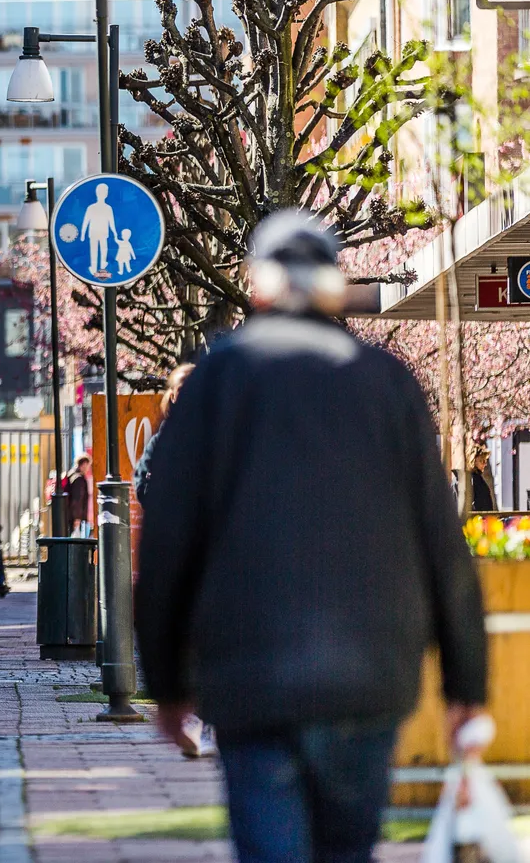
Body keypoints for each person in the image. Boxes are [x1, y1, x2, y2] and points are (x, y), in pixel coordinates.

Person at [137, 210, 487, 863]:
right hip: (369, 674)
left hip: (249, 677)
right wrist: (467, 686)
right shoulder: (387, 384)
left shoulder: (215, 381)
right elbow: (441, 543)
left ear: (257, 286)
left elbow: (168, 544)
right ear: (333, 284)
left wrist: (167, 682)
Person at [133, 363, 194, 506]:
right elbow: (142, 487)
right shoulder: (159, 443)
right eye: (181, 389)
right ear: (172, 396)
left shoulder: (218, 436)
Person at [469, 445, 497, 513]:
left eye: (486, 461)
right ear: (474, 461)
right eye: (482, 461)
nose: (485, 464)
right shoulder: (473, 479)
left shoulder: (478, 477)